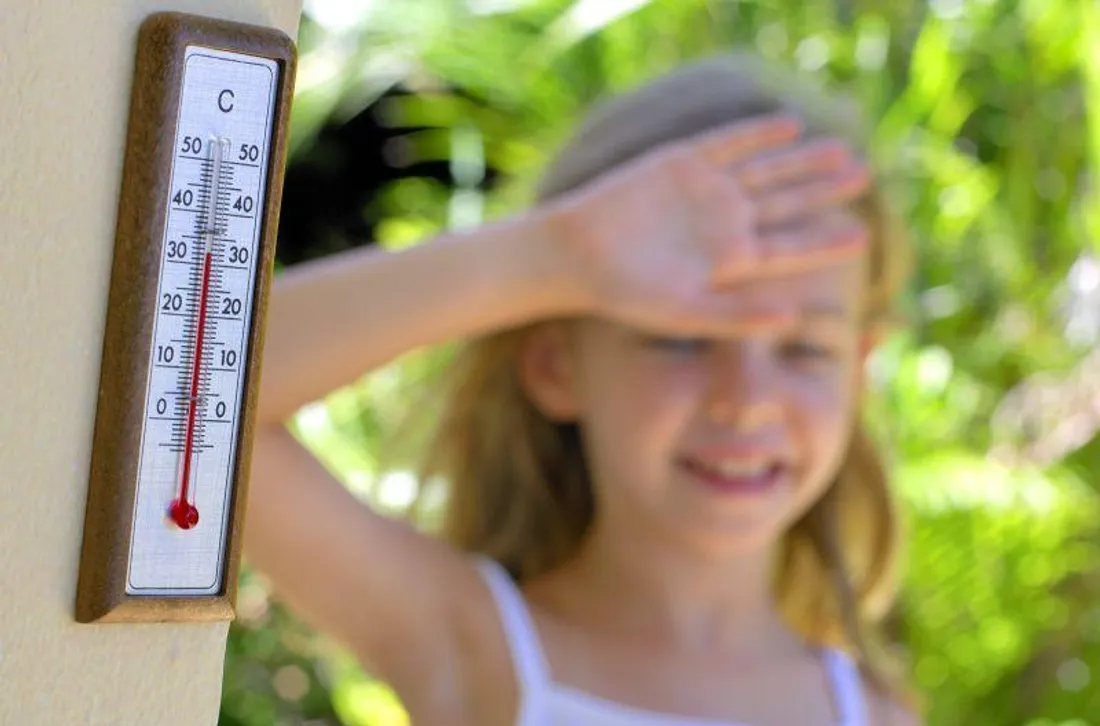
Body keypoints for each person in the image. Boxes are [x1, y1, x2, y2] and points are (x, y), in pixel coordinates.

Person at [245, 51, 920, 726]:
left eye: (804, 349)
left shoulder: (876, 712)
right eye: (681, 338)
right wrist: (553, 254)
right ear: (556, 366)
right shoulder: (473, 647)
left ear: (858, 373)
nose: (745, 402)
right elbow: (203, 395)